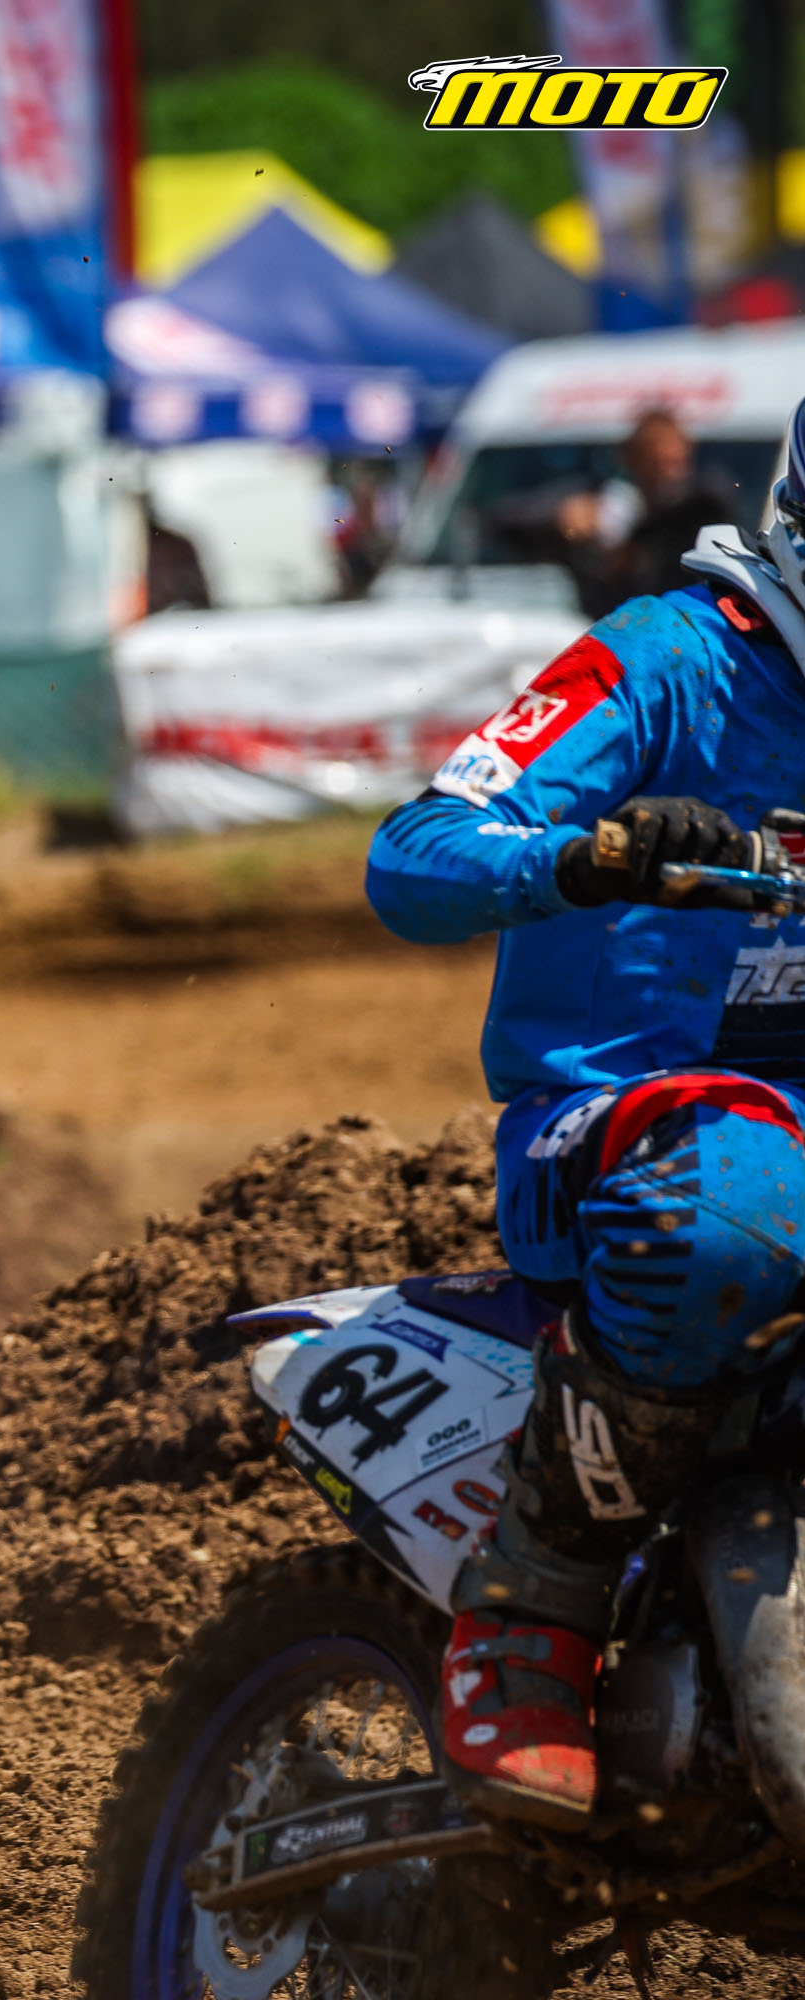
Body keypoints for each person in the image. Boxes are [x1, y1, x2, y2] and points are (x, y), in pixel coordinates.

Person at [365, 391, 805, 1831]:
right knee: (743, 1193)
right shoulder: (672, 659)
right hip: (615, 1131)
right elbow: (415, 851)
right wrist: (586, 856)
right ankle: (532, 1601)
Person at [555, 407, 735, 620]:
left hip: (687, 619)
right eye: (656, 461)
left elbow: (700, 502)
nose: (669, 473)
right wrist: (571, 518)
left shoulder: (701, 505)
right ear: (631, 458)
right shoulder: (615, 502)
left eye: (675, 461)